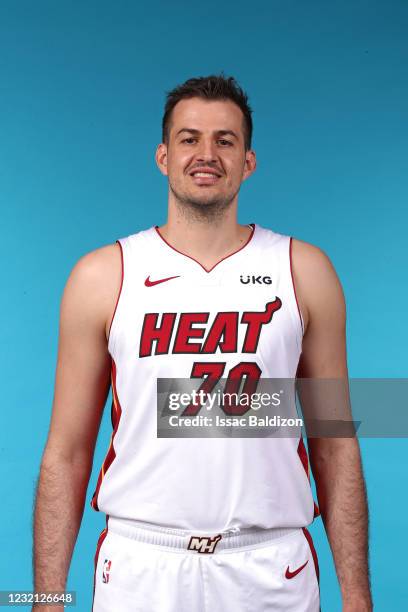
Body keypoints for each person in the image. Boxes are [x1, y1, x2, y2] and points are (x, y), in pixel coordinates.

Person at [32, 74, 372, 611]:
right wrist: (45, 599)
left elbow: (335, 441)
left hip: (270, 567)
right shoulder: (103, 275)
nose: (206, 153)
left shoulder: (304, 270)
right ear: (163, 157)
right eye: (189, 139)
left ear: (248, 161)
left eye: (225, 140)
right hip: (142, 567)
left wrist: (357, 597)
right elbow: (67, 453)